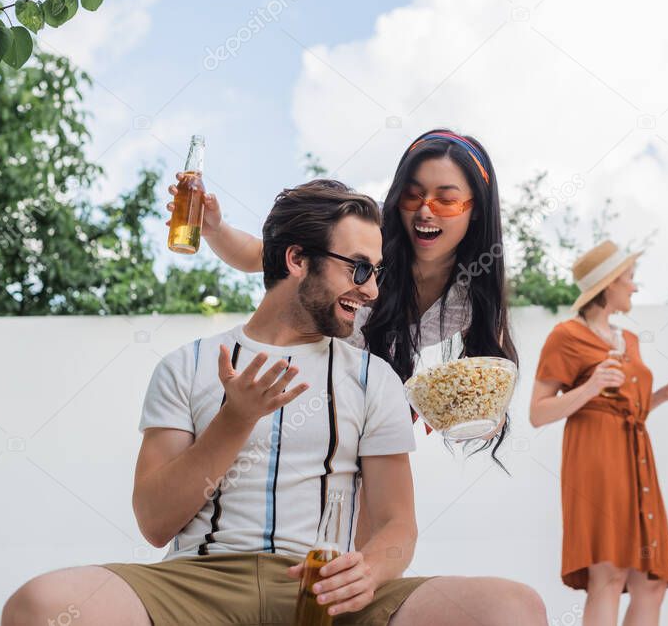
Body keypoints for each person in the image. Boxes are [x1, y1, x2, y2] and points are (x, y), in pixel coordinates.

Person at [2, 180, 545, 626]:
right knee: (40, 607)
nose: (373, 290)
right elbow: (154, 521)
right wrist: (233, 421)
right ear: (296, 260)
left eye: (377, 272)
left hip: (327, 590)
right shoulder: (184, 366)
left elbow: (397, 524)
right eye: (358, 268)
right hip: (195, 586)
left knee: (513, 609)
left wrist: (372, 572)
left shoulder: (372, 378)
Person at [168, 129, 515, 459]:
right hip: (296, 381)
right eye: (413, 195)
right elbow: (261, 255)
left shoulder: (476, 287)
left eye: (447, 200)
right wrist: (215, 229)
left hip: (366, 407)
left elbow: (485, 381)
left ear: (476, 210)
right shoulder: (371, 235)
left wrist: (481, 413)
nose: (425, 210)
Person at [530, 240, 668, 626]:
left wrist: (665, 395)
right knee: (608, 575)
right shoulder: (567, 336)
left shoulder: (630, 340)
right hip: (595, 458)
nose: (635, 287)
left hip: (636, 455)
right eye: (630, 279)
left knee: (650, 582)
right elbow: (538, 413)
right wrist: (587, 388)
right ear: (608, 285)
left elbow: (628, 406)